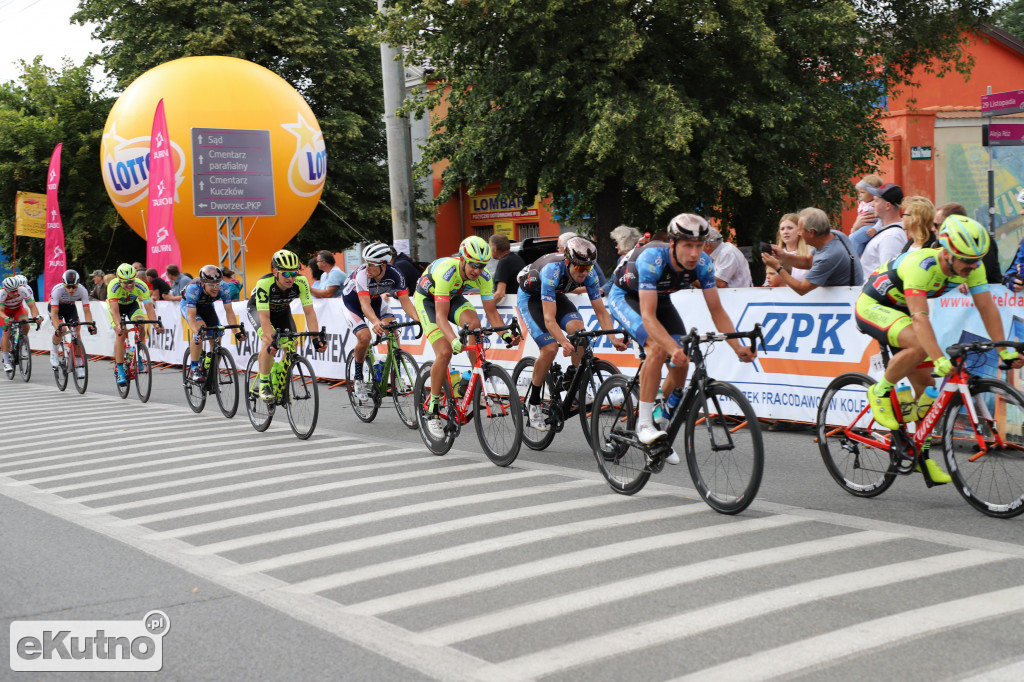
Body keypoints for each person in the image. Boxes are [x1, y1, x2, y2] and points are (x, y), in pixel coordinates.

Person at [855, 215, 1024, 482]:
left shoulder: (972, 266)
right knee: (921, 347)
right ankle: (880, 391)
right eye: (967, 260)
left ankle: (920, 456)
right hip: (875, 306)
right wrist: (938, 357)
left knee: (926, 393)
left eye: (977, 259)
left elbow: (987, 308)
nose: (973, 265)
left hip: (904, 312)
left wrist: (1004, 350)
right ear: (947, 252)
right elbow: (921, 318)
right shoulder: (921, 265)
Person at [606, 213, 757, 464]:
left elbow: (717, 310)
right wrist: (669, 346)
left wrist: (737, 346)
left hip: (661, 298)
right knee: (656, 347)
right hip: (626, 297)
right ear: (673, 244)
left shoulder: (704, 264)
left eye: (699, 246)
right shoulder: (652, 259)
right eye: (688, 245)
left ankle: (659, 416)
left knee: (682, 361)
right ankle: (644, 424)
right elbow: (648, 316)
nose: (694, 253)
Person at [413, 235, 522, 438]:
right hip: (428, 300)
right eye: (473, 265)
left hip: (452, 296)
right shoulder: (447, 272)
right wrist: (454, 340)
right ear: (462, 259)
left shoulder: (484, 277)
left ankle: (476, 380)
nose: (477, 271)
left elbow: (492, 313)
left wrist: (506, 335)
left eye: (482, 266)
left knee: (475, 324)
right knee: (445, 352)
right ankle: (433, 410)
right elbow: (440, 316)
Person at [516, 237, 627, 431]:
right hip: (530, 298)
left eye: (588, 268)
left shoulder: (588, 273)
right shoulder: (552, 271)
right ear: (568, 262)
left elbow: (601, 311)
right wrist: (562, 341)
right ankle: (532, 403)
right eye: (580, 268)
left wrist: (612, 338)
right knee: (550, 349)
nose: (584, 273)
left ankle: (572, 379)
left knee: (580, 334)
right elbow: (549, 319)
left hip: (555, 295)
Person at [342, 242, 420, 402]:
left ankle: (396, 373)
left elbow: (405, 301)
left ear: (384, 265)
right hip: (353, 303)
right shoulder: (362, 274)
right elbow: (364, 304)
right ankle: (358, 379)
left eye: (371, 264)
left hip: (376, 301)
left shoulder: (396, 274)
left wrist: (419, 319)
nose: (366, 267)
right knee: (364, 337)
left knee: (392, 329)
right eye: (366, 263)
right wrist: (376, 322)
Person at [246, 250, 327, 402]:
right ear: (275, 272)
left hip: (282, 310)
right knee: (268, 341)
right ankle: (263, 383)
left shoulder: (301, 282)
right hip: (259, 310)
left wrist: (316, 338)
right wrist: (272, 340)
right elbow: (264, 318)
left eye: (294, 273)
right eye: (286, 274)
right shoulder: (264, 284)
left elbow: (309, 312)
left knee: (291, 343)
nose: (291, 278)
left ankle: (278, 379)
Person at [761, 207, 864, 294]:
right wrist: (783, 256)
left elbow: (802, 289)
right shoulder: (835, 235)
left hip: (843, 302)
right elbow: (807, 261)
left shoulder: (828, 256)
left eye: (800, 230)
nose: (799, 234)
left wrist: (777, 268)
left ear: (812, 232)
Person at [182, 265, 243, 381]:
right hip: (189, 306)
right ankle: (193, 368)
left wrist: (236, 333)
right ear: (203, 283)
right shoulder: (193, 288)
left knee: (217, 336)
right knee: (201, 329)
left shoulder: (224, 287)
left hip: (207, 306)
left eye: (217, 284)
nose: (215, 288)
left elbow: (229, 312)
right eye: (211, 285)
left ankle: (212, 369)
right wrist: (197, 333)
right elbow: (191, 316)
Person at [107, 264, 163, 387]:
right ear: (119, 280)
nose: (130, 284)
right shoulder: (113, 286)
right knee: (120, 333)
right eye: (126, 282)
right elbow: (115, 311)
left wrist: (155, 324)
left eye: (132, 281)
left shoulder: (141, 286)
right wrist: (119, 325)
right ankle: (120, 370)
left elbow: (149, 309)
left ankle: (137, 353)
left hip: (132, 305)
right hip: (117, 308)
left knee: (141, 324)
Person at [48, 269, 95, 368]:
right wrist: (57, 328)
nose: (71, 290)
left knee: (77, 331)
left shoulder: (82, 290)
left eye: (74, 287)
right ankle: (54, 351)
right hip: (56, 308)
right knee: (62, 330)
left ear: (78, 284)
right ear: (63, 284)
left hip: (70, 307)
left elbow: (87, 310)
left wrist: (90, 325)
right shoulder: (57, 291)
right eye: (68, 287)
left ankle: (78, 361)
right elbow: (54, 313)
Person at [859, 183, 908, 275]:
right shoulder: (886, 231)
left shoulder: (891, 237)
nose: (872, 205)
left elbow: (888, 274)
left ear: (887, 206)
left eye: (876, 201)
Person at [0, 275, 41, 372]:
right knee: (7, 332)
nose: (15, 292)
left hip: (18, 309)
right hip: (5, 312)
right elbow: (1, 310)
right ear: (6, 290)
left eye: (16, 290)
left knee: (25, 321)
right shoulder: (2, 293)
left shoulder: (23, 290)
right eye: (12, 291)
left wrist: (36, 317)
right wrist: (6, 318)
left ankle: (23, 343)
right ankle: (6, 362)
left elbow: (32, 306)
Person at [763, 213, 811, 287]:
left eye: (790, 228)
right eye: (782, 229)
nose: (785, 232)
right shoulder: (774, 256)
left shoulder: (809, 254)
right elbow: (768, 283)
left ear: (799, 231)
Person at [849, 174, 883, 257]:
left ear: (873, 193)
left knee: (853, 238)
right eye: (859, 192)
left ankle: (853, 260)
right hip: (862, 226)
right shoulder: (863, 204)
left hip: (870, 226)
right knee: (857, 241)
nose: (859, 195)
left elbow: (881, 219)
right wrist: (855, 227)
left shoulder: (874, 205)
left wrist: (875, 228)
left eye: (862, 192)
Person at [489, 233, 526, 305]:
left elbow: (500, 293)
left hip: (510, 308)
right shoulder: (517, 258)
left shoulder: (504, 262)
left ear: (495, 248)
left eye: (490, 247)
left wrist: (487, 306)